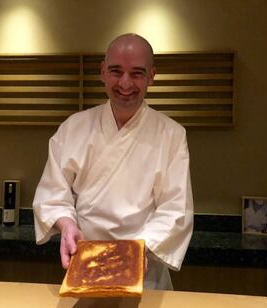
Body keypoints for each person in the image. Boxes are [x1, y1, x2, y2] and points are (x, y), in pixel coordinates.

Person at [33, 33, 194, 290]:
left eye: (137, 73)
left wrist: (134, 252)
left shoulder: (172, 135)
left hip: (144, 267)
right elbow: (52, 194)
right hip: (84, 263)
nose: (125, 83)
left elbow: (174, 209)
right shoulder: (73, 128)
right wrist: (67, 224)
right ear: (102, 72)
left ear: (152, 76)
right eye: (116, 71)